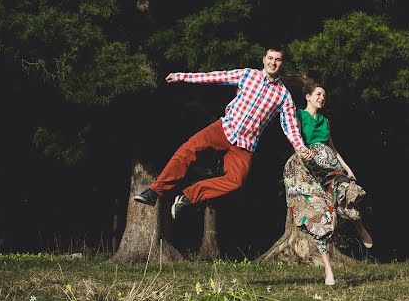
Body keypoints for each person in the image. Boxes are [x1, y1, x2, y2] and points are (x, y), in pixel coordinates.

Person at [134, 47, 315, 218]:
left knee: (236, 181)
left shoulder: (283, 95)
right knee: (188, 149)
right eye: (270, 58)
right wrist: (181, 76)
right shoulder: (248, 75)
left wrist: (299, 147)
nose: (273, 63)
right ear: (264, 59)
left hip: (245, 144)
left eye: (277, 60)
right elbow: (215, 77)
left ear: (281, 63)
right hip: (224, 128)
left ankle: (188, 198)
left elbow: (289, 124)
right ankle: (155, 191)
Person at [283, 75, 373, 286]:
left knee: (349, 190)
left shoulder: (325, 121)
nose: (322, 98)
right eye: (318, 94)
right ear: (308, 97)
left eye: (324, 95)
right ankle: (329, 271)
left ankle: (358, 225)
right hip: (306, 169)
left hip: (329, 165)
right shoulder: (298, 116)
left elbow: (332, 147)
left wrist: (346, 167)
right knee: (319, 217)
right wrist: (301, 150)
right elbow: (293, 137)